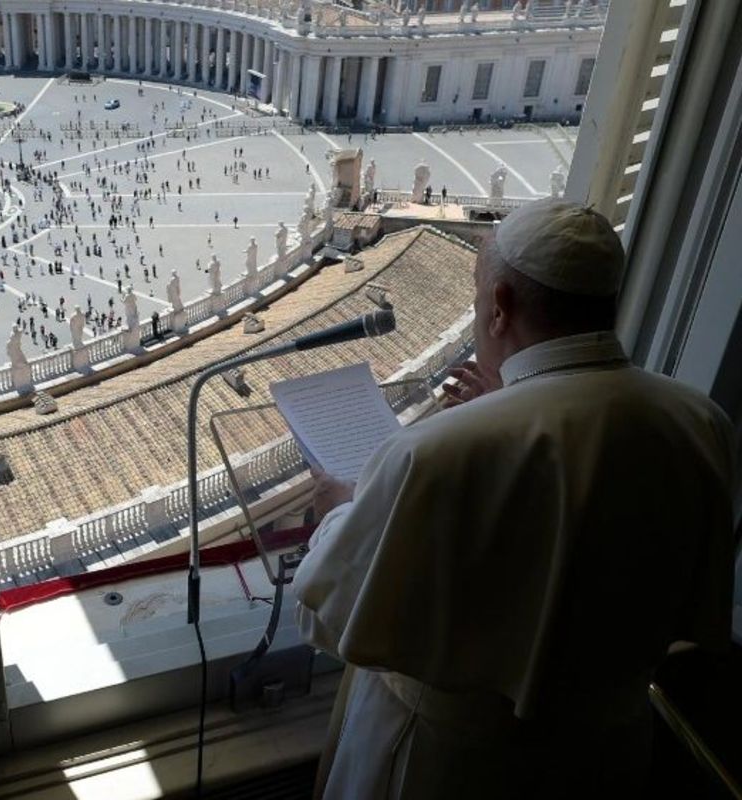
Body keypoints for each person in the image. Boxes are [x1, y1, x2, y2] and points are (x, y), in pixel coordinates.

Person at [294, 199, 735, 799]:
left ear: (499, 308)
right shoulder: (702, 421)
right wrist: (507, 404)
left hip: (454, 767)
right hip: (610, 757)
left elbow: (332, 615)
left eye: (479, 297)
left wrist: (337, 511)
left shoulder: (433, 452)